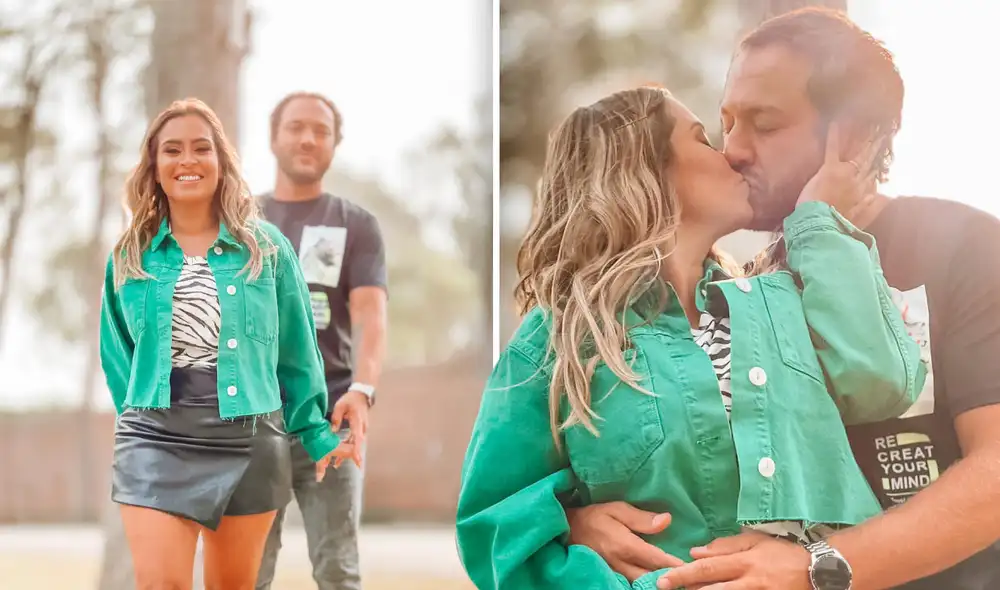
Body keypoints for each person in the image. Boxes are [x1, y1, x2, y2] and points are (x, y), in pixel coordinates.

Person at [566, 8, 1000, 590]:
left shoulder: (966, 247)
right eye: (725, 123)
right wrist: (576, 523)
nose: (735, 150)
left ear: (859, 135)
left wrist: (820, 564)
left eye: (765, 125)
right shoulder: (739, 291)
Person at [455, 85, 926, 590]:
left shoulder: (784, 300)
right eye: (703, 139)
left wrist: (815, 218)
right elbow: (496, 531)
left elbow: (885, 382)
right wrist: (572, 533)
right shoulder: (558, 340)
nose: (731, 155)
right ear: (645, 170)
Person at [99, 97, 358, 590]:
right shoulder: (128, 256)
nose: (188, 160)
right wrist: (138, 415)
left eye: (202, 148)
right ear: (154, 166)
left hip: (248, 438)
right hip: (154, 437)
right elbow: (117, 356)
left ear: (221, 162)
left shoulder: (267, 249)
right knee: (160, 584)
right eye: (172, 150)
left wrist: (316, 432)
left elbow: (297, 353)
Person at [254, 91, 388, 590]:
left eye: (321, 130)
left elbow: (371, 314)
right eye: (295, 127)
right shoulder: (241, 219)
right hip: (250, 418)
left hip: (330, 418)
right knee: (246, 572)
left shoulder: (356, 224)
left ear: (335, 143)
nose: (308, 138)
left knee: (338, 570)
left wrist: (364, 390)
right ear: (273, 137)